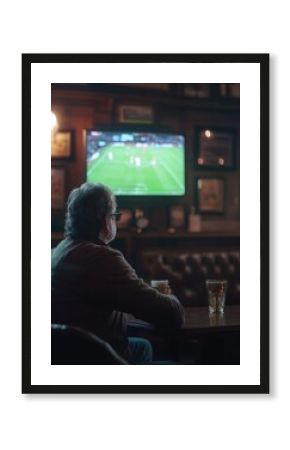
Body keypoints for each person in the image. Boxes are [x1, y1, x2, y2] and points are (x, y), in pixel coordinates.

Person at [51, 182, 185, 364]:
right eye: (115, 216)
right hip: (96, 360)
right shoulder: (102, 258)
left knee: (144, 346)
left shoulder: (60, 249)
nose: (115, 222)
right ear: (106, 221)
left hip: (65, 355)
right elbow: (172, 314)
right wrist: (168, 295)